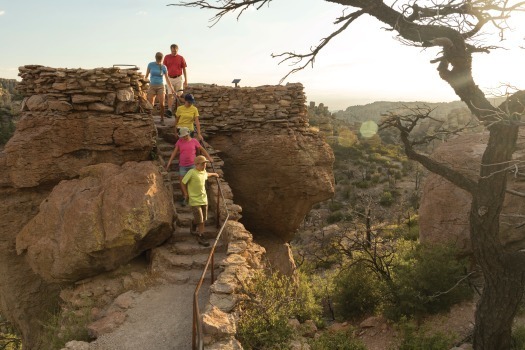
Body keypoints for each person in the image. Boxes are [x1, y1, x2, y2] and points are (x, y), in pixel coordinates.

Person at [165, 127, 213, 206]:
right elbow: (174, 152)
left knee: (194, 180)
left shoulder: (194, 141)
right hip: (183, 165)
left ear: (188, 134)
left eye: (185, 136)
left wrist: (209, 158)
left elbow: (202, 149)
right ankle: (185, 196)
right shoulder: (179, 141)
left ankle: (196, 198)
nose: (184, 137)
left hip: (193, 165)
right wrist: (169, 162)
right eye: (183, 136)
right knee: (182, 180)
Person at [181, 155, 219, 247]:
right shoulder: (191, 172)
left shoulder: (203, 172)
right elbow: (183, 182)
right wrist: (186, 194)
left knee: (203, 219)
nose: (204, 165)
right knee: (201, 221)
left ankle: (193, 223)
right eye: (202, 164)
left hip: (204, 199)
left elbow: (207, 174)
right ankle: (201, 236)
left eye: (205, 163)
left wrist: (214, 174)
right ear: (196, 164)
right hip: (194, 200)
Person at [145, 52, 174, 126]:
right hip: (152, 86)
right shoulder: (150, 64)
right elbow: (146, 76)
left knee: (162, 104)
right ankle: (150, 119)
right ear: (155, 57)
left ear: (162, 58)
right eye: (158, 57)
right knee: (150, 104)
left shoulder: (164, 67)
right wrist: (144, 84)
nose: (159, 59)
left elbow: (167, 78)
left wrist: (171, 88)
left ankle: (162, 119)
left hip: (161, 86)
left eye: (160, 57)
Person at [163, 44, 187, 112]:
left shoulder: (181, 58)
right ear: (171, 50)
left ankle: (179, 111)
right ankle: (170, 110)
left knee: (179, 95)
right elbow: (164, 69)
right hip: (169, 78)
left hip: (179, 78)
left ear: (177, 50)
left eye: (175, 51)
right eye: (173, 51)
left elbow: (184, 69)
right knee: (170, 94)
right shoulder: (166, 57)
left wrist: (186, 80)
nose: (174, 52)